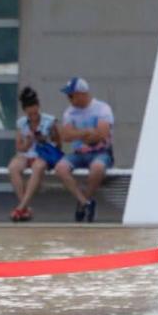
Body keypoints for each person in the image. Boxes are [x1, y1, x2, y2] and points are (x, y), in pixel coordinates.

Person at [53, 76, 114, 221]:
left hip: (101, 152)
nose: (68, 98)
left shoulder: (102, 108)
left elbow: (102, 134)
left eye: (71, 95)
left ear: (81, 94)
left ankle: (84, 202)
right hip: (79, 153)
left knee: (97, 168)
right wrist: (87, 132)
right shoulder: (69, 112)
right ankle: (85, 202)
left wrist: (78, 134)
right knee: (60, 168)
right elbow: (66, 135)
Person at [7, 84, 58, 221]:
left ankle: (21, 207)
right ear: (25, 112)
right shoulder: (22, 123)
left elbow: (58, 144)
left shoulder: (50, 121)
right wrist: (28, 142)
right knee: (13, 167)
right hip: (27, 153)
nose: (33, 117)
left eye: (35, 113)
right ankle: (25, 208)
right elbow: (19, 147)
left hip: (43, 154)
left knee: (37, 167)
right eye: (30, 114)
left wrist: (43, 139)